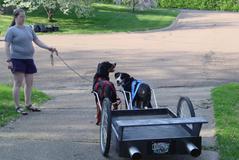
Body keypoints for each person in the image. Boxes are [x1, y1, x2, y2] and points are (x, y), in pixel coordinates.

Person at [4, 8, 57, 115]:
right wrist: (9, 60)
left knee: (29, 83)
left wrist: (48, 47)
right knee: (18, 83)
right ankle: (17, 106)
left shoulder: (28, 28)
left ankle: (28, 104)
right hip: (17, 60)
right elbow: (6, 46)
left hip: (29, 59)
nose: (23, 18)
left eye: (24, 16)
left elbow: (36, 40)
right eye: (21, 16)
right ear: (16, 17)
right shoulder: (11, 30)